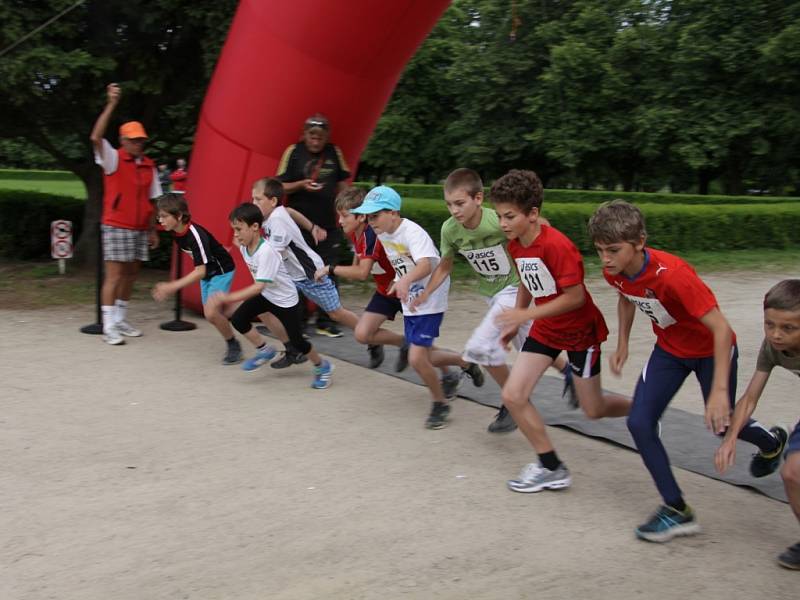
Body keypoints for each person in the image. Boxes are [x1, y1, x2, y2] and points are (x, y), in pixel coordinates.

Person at [588, 199, 786, 543]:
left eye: (614, 250)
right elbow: (626, 295)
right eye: (599, 250)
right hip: (670, 350)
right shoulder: (614, 270)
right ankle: (676, 509)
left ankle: (771, 442)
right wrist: (622, 343)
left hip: (712, 350)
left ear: (640, 243)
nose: (605, 259)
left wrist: (720, 392)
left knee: (720, 425)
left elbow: (722, 330)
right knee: (639, 421)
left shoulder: (674, 276)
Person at [490, 170, 631, 491]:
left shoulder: (558, 246)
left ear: (533, 214)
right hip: (546, 329)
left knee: (593, 409)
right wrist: (517, 321)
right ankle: (551, 466)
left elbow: (575, 297)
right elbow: (528, 280)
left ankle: (645, 409)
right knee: (513, 395)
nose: (503, 224)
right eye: (499, 216)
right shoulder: (515, 245)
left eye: (509, 216)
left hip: (581, 332)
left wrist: (525, 313)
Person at [410, 168, 575, 433]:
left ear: (478, 198)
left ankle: (513, 401)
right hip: (491, 293)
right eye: (449, 204)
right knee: (531, 344)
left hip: (514, 288)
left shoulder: (497, 220)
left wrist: (547, 249)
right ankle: (570, 373)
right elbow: (444, 266)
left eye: (460, 203)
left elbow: (538, 224)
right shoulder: (450, 230)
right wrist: (427, 292)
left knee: (484, 348)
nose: (454, 210)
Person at [351, 185, 484, 430]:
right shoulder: (383, 233)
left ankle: (440, 403)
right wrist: (398, 280)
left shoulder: (412, 232)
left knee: (417, 357)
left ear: (393, 212)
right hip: (411, 295)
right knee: (422, 355)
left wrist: (404, 280)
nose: (370, 222)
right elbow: (402, 262)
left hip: (429, 295)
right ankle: (465, 362)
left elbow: (426, 265)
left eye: (375, 216)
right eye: (368, 217)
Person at [715, 279, 798, 568]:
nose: (776, 334)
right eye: (769, 324)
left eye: (788, 328)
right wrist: (730, 439)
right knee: (792, 474)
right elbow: (750, 397)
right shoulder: (772, 347)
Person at [205, 203, 334, 389]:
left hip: (286, 301)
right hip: (268, 295)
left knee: (298, 342)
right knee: (239, 320)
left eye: (239, 229)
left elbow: (258, 287)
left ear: (255, 227)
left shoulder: (267, 252)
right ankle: (265, 351)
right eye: (234, 229)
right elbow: (237, 245)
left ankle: (322, 366)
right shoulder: (244, 245)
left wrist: (227, 297)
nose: (235, 234)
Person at [251, 177, 359, 368]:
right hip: (291, 276)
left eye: (258, 199)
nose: (254, 204)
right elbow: (291, 211)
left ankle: (369, 335)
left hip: (310, 274)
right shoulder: (275, 213)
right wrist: (312, 227)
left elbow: (272, 255)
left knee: (335, 313)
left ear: (273, 201)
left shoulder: (276, 221)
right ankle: (293, 349)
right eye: (253, 199)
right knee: (266, 308)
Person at [89, 83, 162, 345]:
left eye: (140, 139)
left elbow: (153, 199)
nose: (138, 143)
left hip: (140, 227)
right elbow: (96, 138)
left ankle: (120, 318)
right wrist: (111, 104)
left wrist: (153, 228)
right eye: (133, 139)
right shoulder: (113, 158)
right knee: (115, 275)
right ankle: (108, 325)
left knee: (131, 275)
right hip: (116, 225)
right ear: (122, 141)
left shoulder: (149, 165)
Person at [315, 186, 409, 371]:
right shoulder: (353, 231)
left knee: (422, 351)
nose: (340, 221)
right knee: (362, 333)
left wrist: (330, 269)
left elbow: (362, 273)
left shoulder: (371, 235)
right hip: (386, 291)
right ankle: (404, 343)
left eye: (344, 216)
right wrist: (352, 267)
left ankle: (457, 367)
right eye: (339, 215)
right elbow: (357, 263)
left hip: (406, 288)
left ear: (361, 216)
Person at [277, 114, 350, 337]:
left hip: (328, 225)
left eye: (320, 137)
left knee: (329, 270)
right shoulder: (294, 151)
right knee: (298, 272)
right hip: (298, 226)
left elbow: (343, 184)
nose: (316, 142)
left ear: (326, 136)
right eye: (312, 136)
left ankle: (326, 320)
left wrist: (349, 211)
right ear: (305, 134)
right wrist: (300, 184)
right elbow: (279, 186)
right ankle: (298, 321)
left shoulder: (334, 152)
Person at [151, 193, 241, 364]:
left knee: (211, 313)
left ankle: (233, 345)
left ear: (178, 216)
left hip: (221, 271)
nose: (160, 220)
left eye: (164, 216)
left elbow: (200, 270)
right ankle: (250, 307)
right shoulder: (177, 232)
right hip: (209, 272)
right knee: (219, 311)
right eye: (159, 216)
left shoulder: (194, 235)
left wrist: (172, 286)